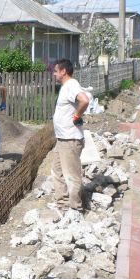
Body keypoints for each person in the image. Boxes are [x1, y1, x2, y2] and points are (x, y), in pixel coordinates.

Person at [52, 59, 89, 213]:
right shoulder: (66, 87)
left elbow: (84, 100)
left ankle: (75, 209)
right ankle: (62, 204)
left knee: (71, 176)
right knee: (57, 171)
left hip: (70, 139)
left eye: (55, 71)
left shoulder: (71, 85)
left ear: (63, 71)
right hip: (62, 139)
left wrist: (76, 116)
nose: (54, 74)